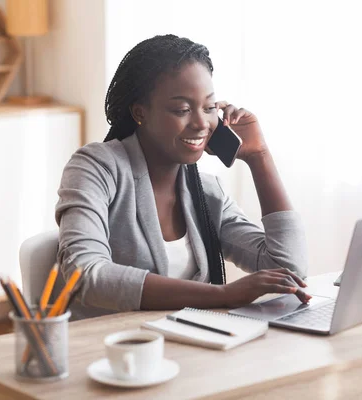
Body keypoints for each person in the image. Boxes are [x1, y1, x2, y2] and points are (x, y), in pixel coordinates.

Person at [55, 34, 310, 320]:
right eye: (182, 110)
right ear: (140, 112)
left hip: (189, 348)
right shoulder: (96, 168)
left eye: (210, 107)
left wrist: (259, 157)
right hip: (114, 352)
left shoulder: (207, 192)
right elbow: (86, 274)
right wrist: (224, 295)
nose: (201, 123)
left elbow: (288, 268)